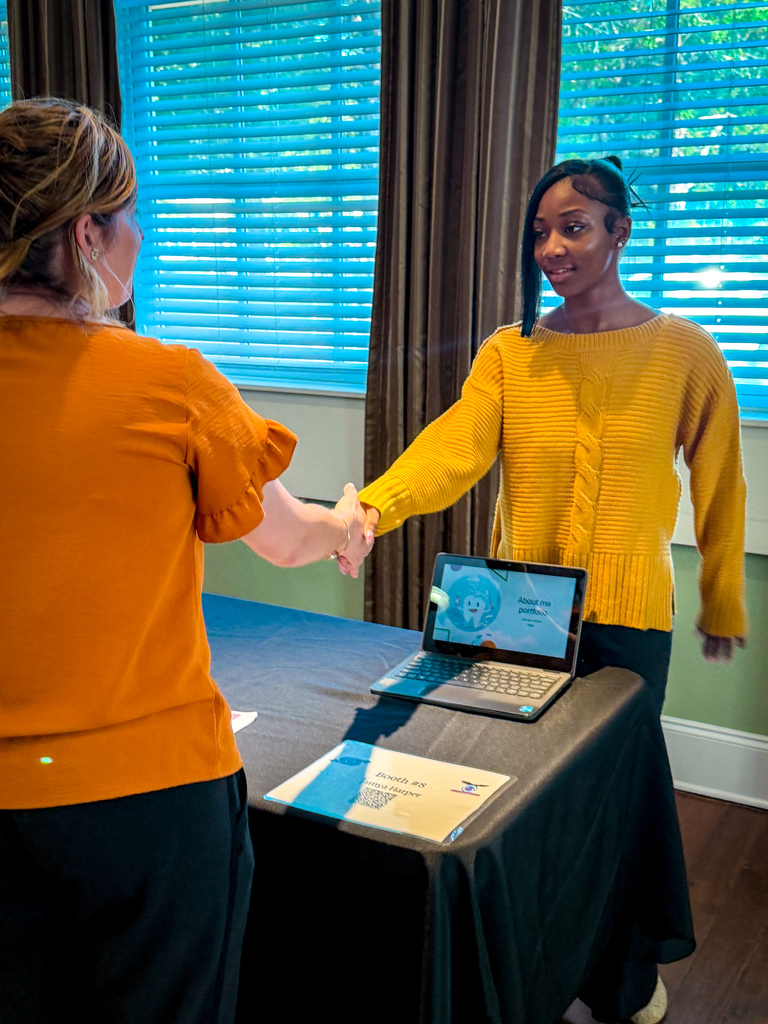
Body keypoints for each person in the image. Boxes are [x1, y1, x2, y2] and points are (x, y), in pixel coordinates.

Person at [0, 98, 372, 1024]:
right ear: (85, 232)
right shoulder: (169, 382)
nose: (142, 236)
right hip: (147, 800)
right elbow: (287, 539)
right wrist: (346, 520)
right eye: (132, 215)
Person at [356, 156, 747, 1024]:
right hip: (517, 616)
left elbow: (721, 480)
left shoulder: (683, 351)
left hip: (626, 622)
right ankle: (525, 964)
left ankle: (622, 975)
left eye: (573, 227)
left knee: (614, 809)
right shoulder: (511, 352)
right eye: (540, 232)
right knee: (518, 799)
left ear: (620, 232)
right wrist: (373, 507)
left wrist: (722, 595)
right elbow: (455, 448)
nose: (552, 248)